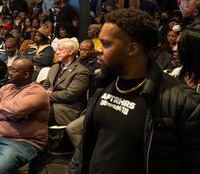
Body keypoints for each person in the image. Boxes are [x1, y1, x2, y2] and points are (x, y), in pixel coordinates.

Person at [69, 9, 200, 174]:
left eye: (106, 44)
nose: (98, 49)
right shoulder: (104, 84)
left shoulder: (185, 103)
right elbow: (86, 145)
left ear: (132, 49)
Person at [41, 38, 90, 126]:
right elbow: (45, 86)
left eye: (60, 49)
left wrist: (47, 95)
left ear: (70, 52)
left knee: (38, 111)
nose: (56, 53)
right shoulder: (54, 67)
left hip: (67, 109)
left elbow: (69, 95)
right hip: (50, 102)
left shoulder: (81, 71)